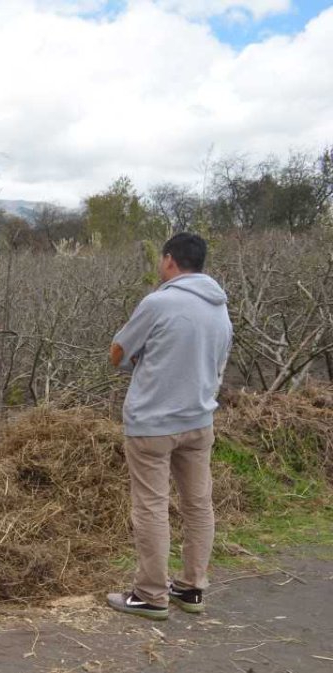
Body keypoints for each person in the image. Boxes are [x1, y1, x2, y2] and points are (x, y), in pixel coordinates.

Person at [105, 233, 233, 621]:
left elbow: (117, 354)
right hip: (199, 420)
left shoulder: (159, 302)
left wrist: (136, 362)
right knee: (198, 505)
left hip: (153, 425)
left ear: (170, 260)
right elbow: (220, 362)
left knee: (151, 506)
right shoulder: (220, 308)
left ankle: (150, 595)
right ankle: (192, 588)